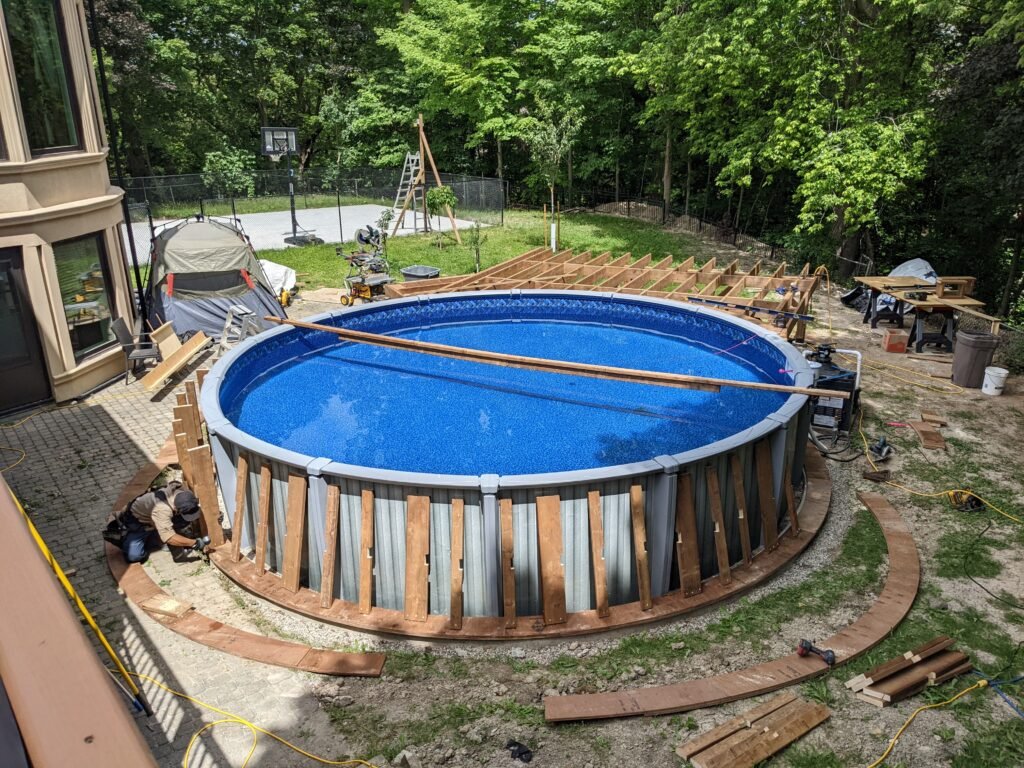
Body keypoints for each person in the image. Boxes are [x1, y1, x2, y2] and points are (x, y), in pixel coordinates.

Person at [105, 480, 210, 563]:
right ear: (177, 509)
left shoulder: (183, 494)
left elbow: (198, 509)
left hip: (155, 519)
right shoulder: (162, 509)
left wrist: (217, 515)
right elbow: (170, 538)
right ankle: (151, 538)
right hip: (138, 524)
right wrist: (195, 543)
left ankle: (158, 534)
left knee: (183, 521)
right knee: (134, 556)